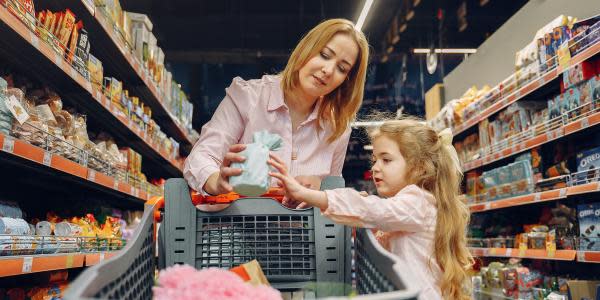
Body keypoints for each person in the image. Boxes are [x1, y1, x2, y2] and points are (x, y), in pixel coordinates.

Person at [268, 118, 473, 300]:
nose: (375, 167)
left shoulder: (417, 201)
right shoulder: (412, 204)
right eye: (375, 159)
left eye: (386, 159)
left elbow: (371, 209)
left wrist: (309, 195)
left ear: (420, 167)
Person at [183, 19, 370, 207]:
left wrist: (322, 191)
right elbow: (200, 157)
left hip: (303, 234)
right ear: (306, 49)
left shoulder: (337, 126)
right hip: (236, 229)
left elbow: (333, 186)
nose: (328, 70)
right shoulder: (248, 97)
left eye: (342, 68)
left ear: (346, 80)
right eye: (324, 55)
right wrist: (216, 181)